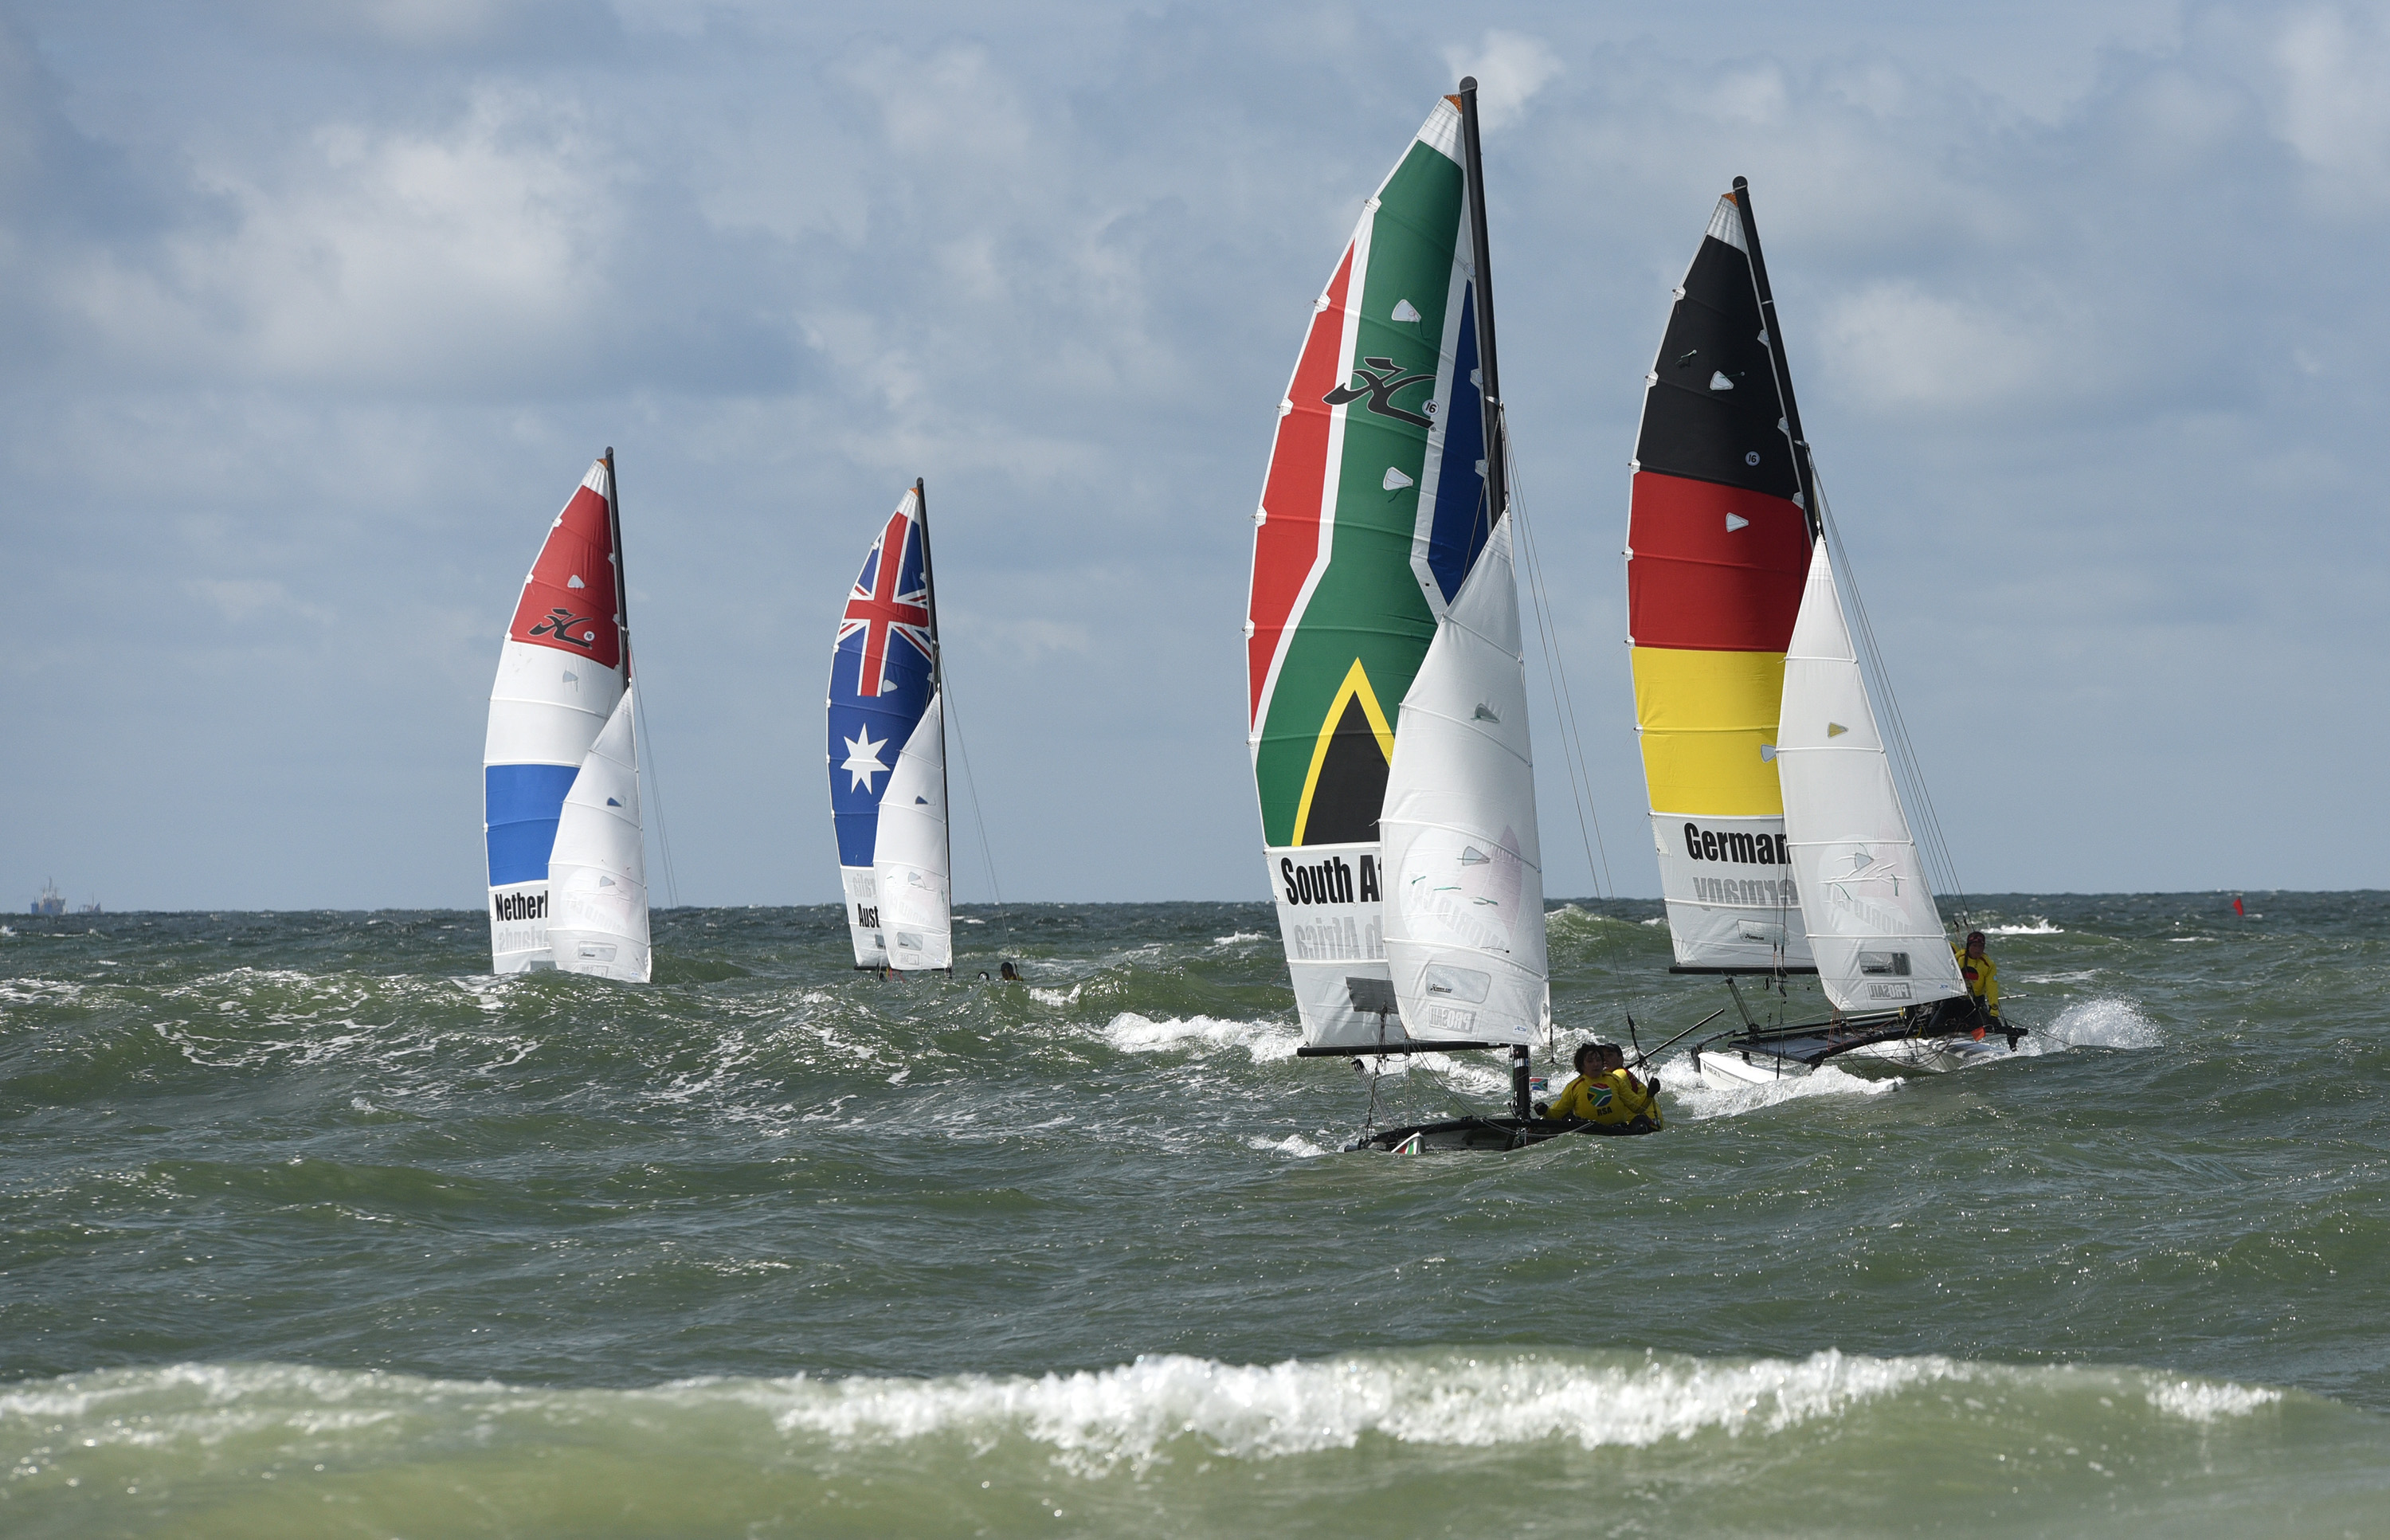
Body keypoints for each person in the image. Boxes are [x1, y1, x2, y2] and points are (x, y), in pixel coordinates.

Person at [1537, 1042, 1663, 1131]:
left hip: (1618, 1130)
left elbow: (1637, 1107)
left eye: (1598, 1060)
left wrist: (1650, 1094)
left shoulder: (1614, 1080)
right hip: (1589, 1131)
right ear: (1581, 1065)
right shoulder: (1574, 1087)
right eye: (1590, 1061)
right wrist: (1545, 1111)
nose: (1596, 1064)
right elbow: (1556, 1114)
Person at [1953, 931, 2000, 1025]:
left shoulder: (1988, 965)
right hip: (1954, 1001)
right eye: (1974, 946)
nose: (1978, 950)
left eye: (1981, 946)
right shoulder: (1958, 958)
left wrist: (1994, 1013)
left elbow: (1992, 989)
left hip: (1976, 1002)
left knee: (1989, 1024)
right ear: (1968, 946)